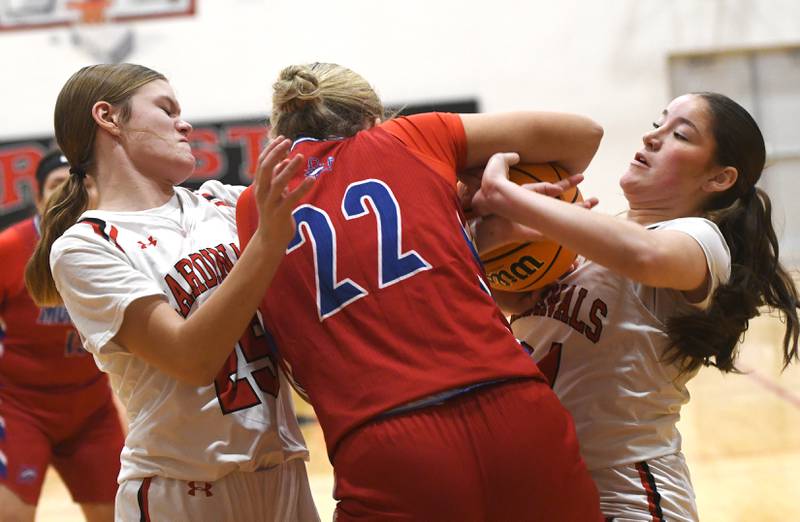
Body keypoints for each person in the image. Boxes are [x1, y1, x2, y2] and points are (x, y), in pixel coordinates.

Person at [236, 62, 605, 521]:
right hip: (514, 408)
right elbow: (584, 135)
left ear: (281, 129)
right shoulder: (409, 137)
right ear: (374, 116)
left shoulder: (255, 205)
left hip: (385, 441)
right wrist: (471, 189)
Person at [471, 92, 800, 521]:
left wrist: (505, 194)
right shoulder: (581, 248)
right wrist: (491, 254)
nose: (652, 137)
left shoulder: (699, 240)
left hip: (628, 496)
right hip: (548, 491)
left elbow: (644, 255)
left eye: (679, 135)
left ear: (719, 178)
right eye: (658, 123)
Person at [24, 63, 319, 521]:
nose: (185, 124)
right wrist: (266, 243)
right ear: (109, 118)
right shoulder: (86, 245)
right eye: (166, 109)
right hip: (184, 490)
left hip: (284, 473)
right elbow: (190, 358)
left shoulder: (223, 202)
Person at [0, 149, 123, 522]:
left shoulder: (111, 244)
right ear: (38, 198)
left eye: (77, 184)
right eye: (56, 185)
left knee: (121, 515)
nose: (66, 193)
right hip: (20, 409)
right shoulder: (9, 248)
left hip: (91, 410)